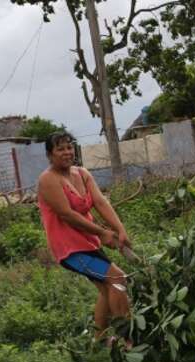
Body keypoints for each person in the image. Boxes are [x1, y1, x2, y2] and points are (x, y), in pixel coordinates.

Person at [37, 132, 132, 345]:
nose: (67, 152)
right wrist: (103, 232)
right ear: (50, 154)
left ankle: (99, 339)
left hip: (88, 244)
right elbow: (67, 215)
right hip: (70, 250)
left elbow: (100, 202)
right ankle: (128, 341)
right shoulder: (48, 180)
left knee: (106, 287)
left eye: (69, 147)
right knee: (117, 279)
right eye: (60, 148)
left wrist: (120, 229)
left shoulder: (82, 173)